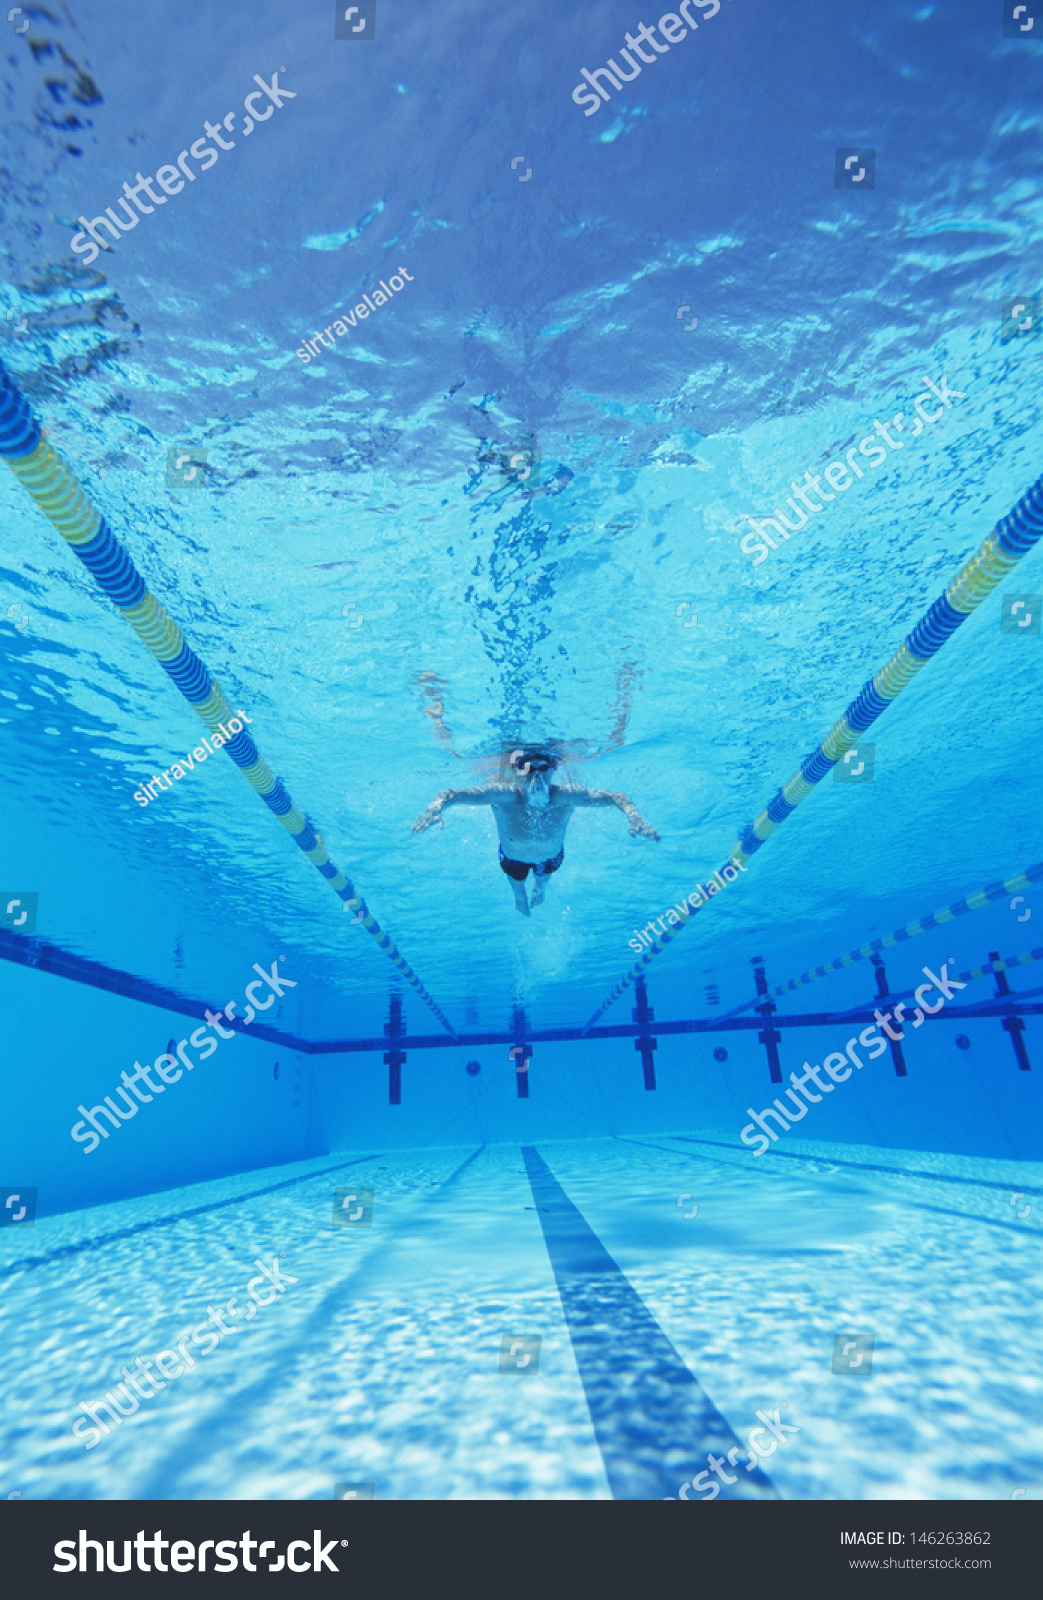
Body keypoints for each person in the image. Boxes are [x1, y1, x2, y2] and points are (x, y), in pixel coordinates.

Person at [411, 749, 660, 916]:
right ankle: (521, 898)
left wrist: (634, 817)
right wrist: (435, 808)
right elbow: (454, 794)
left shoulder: (567, 795)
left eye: (543, 767)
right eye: (526, 767)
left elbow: (617, 797)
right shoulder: (504, 796)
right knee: (518, 889)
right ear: (516, 771)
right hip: (512, 859)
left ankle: (539, 891)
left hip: (551, 859)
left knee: (541, 884)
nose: (535, 774)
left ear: (554, 769)